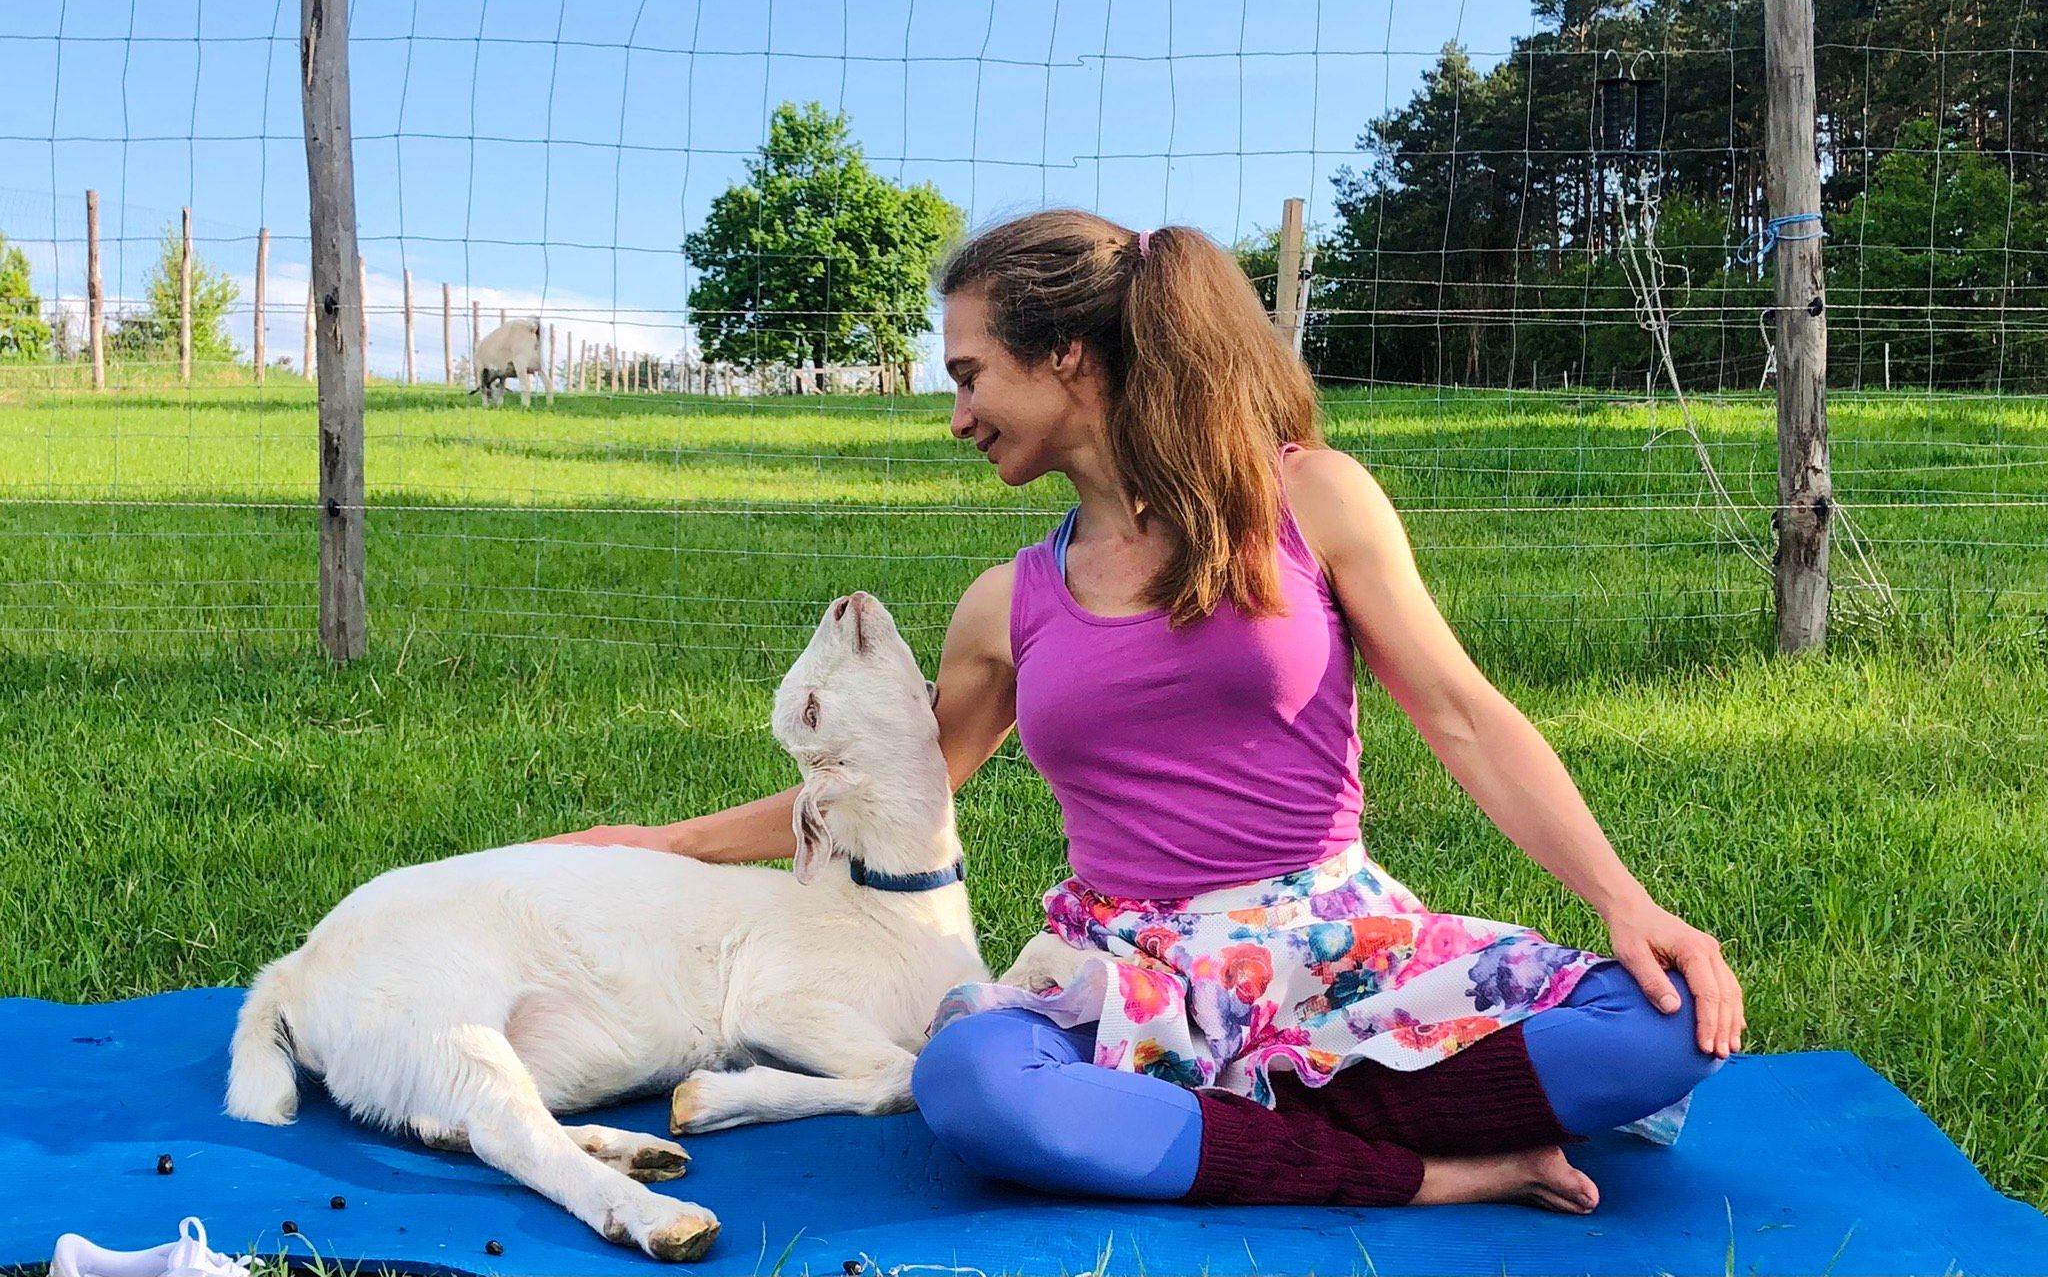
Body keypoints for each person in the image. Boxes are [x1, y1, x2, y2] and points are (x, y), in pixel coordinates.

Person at [546, 209, 1745, 1215]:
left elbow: (1461, 712)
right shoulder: (1001, 605)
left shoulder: (1308, 499)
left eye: (968, 374)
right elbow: (885, 803)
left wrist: (1624, 903)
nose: (955, 415)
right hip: (1129, 967)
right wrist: (649, 845)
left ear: (1065, 353)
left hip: (1333, 946)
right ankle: (1429, 1173)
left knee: (1663, 1029)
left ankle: (1225, 1121)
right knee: (974, 1082)